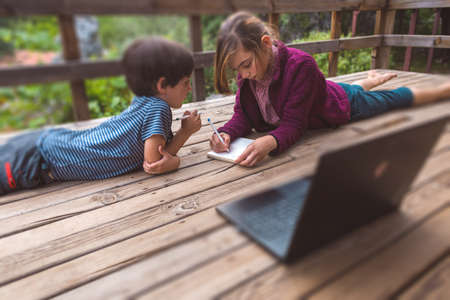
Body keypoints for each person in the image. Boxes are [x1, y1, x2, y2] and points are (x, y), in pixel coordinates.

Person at [210, 11, 450, 167]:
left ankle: (441, 91)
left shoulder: (301, 65)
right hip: (321, 91)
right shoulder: (249, 75)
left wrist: (270, 141)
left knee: (390, 99)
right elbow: (243, 115)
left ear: (264, 43)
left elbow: (294, 125)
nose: (243, 75)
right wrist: (227, 132)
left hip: (338, 106)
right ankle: (367, 81)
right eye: (237, 70)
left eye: (246, 65)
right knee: (348, 88)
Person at [0, 37, 201, 195]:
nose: (190, 88)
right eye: (185, 82)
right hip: (39, 162)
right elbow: (153, 162)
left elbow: (155, 151)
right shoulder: (158, 109)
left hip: (51, 145)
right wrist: (182, 143)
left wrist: (183, 132)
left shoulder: (144, 100)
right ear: (162, 85)